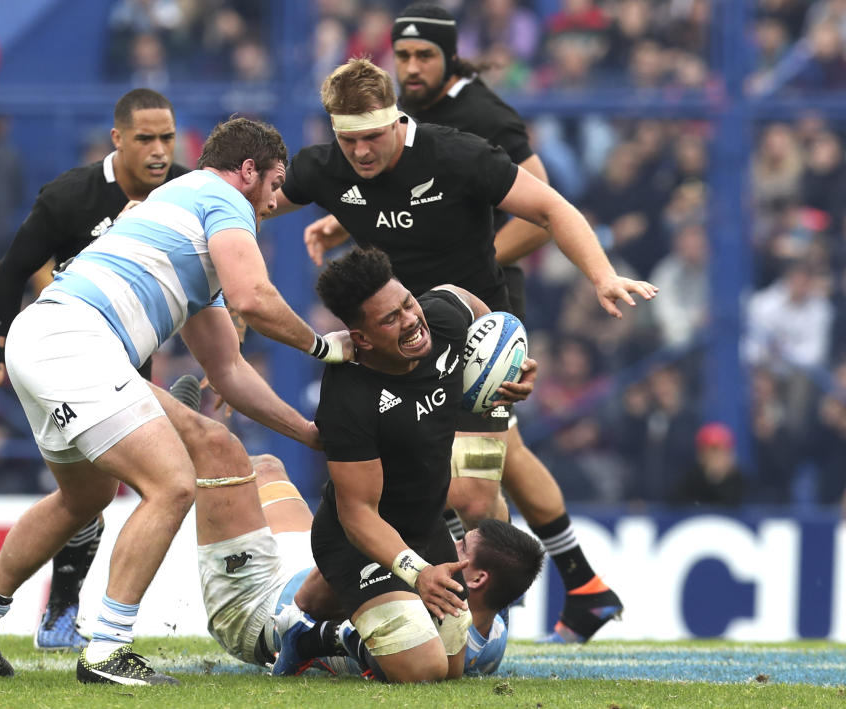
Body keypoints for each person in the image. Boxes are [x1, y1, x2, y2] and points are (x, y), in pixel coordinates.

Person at [0, 116, 353, 686]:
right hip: (77, 342)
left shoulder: (181, 213)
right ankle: (107, 648)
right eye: (276, 183)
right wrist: (326, 346)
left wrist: (306, 431)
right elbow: (253, 298)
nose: (277, 201)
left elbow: (228, 371)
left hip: (43, 337)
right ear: (248, 171)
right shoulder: (222, 198)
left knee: (83, 497)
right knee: (173, 483)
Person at [273, 49, 656, 642]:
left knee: (475, 495)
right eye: (350, 143)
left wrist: (602, 275)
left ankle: (485, 627)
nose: (363, 153)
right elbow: (252, 204)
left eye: (375, 137)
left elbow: (551, 207)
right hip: (388, 353)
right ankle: (316, 621)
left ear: (398, 119)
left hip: (469, 343)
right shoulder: (326, 169)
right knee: (397, 500)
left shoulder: (458, 153)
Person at [0, 88, 189, 652]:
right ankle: (89, 627)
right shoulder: (71, 196)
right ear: (118, 139)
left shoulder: (186, 191)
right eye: (146, 139)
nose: (160, 151)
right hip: (70, 357)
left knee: (87, 494)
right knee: (149, 485)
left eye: (167, 137)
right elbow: (12, 272)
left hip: (130, 361)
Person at [274, 247, 536, 684]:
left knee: (456, 668)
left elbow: (460, 296)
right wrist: (418, 572)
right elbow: (356, 513)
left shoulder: (443, 321)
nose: (412, 320)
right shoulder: (348, 393)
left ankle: (333, 616)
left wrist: (505, 356)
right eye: (390, 320)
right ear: (361, 339)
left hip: (425, 526)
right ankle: (316, 637)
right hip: (359, 541)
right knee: (422, 669)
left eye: (407, 303)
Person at [194, 444, 544, 680]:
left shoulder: (426, 637)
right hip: (308, 565)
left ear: (478, 578)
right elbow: (489, 511)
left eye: (462, 545)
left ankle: (157, 425)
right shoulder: (492, 633)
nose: (452, 543)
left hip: (262, 609)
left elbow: (310, 601)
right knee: (267, 465)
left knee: (216, 451)